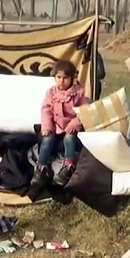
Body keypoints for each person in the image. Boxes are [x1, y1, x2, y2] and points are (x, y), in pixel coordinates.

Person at [28, 60, 89, 196]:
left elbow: (84, 111)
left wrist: (75, 123)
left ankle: (68, 166)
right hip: (55, 125)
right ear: (54, 78)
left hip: (70, 126)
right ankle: (41, 167)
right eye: (58, 78)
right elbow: (46, 110)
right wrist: (47, 126)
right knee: (47, 140)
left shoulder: (78, 94)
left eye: (66, 78)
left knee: (69, 138)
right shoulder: (51, 93)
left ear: (73, 78)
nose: (62, 81)